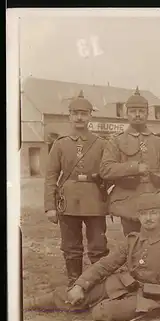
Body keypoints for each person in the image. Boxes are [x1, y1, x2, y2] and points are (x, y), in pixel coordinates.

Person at [24, 193, 160, 321]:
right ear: (138, 217)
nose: (149, 218)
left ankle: (116, 304)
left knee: (101, 312)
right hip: (125, 284)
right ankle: (31, 303)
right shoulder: (133, 240)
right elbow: (105, 264)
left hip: (153, 296)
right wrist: (80, 284)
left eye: (153, 213)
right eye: (144, 214)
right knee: (77, 295)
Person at [44, 90, 109, 286]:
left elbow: (108, 172)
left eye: (84, 113)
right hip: (68, 200)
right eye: (75, 113)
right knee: (71, 246)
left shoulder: (101, 143)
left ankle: (98, 284)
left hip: (94, 199)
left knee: (98, 245)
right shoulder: (60, 144)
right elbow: (51, 176)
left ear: (90, 116)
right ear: (69, 116)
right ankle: (74, 282)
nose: (79, 117)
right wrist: (50, 206)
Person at [100, 87, 160, 236]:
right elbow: (106, 169)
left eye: (141, 111)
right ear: (127, 113)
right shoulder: (116, 141)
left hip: (155, 200)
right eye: (133, 111)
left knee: (157, 243)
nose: (137, 115)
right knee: (132, 243)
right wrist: (134, 167)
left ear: (147, 113)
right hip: (128, 202)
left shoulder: (158, 141)